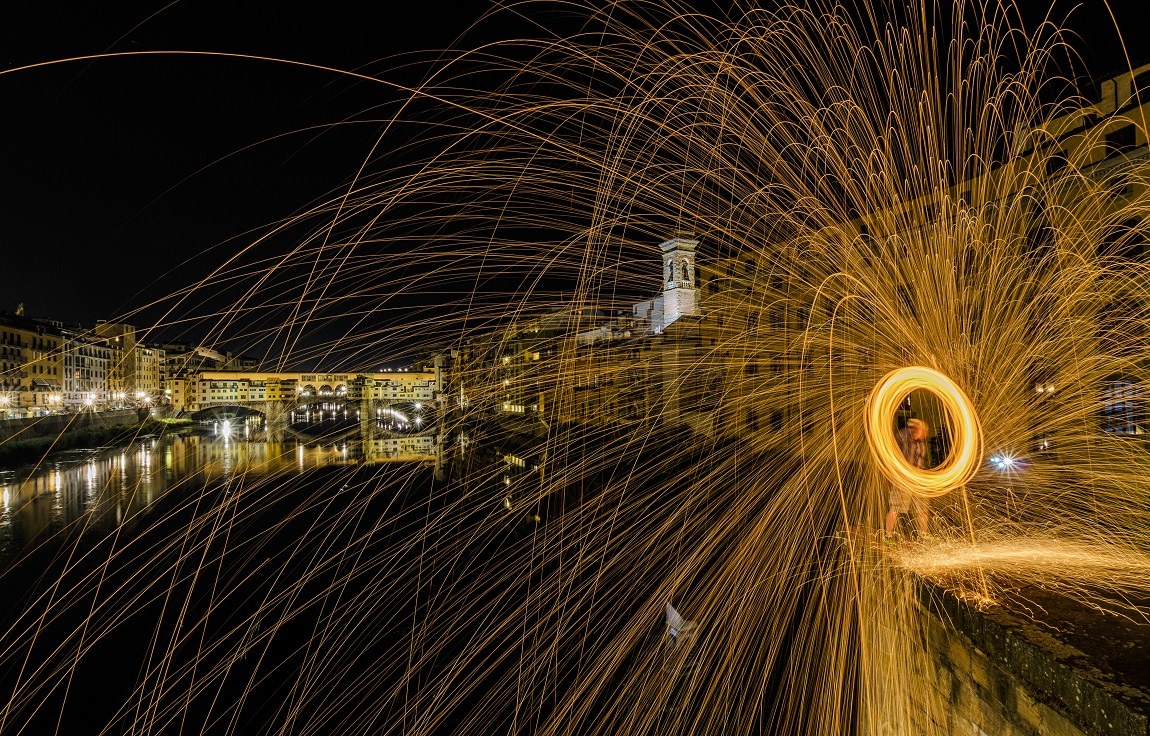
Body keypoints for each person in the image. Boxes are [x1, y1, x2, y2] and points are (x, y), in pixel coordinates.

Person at [884, 417, 930, 540]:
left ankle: (923, 535)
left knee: (923, 508)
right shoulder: (904, 438)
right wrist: (913, 427)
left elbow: (920, 461)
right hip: (903, 480)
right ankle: (888, 536)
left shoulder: (921, 442)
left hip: (918, 480)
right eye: (922, 429)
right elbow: (894, 444)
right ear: (914, 429)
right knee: (895, 508)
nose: (925, 432)